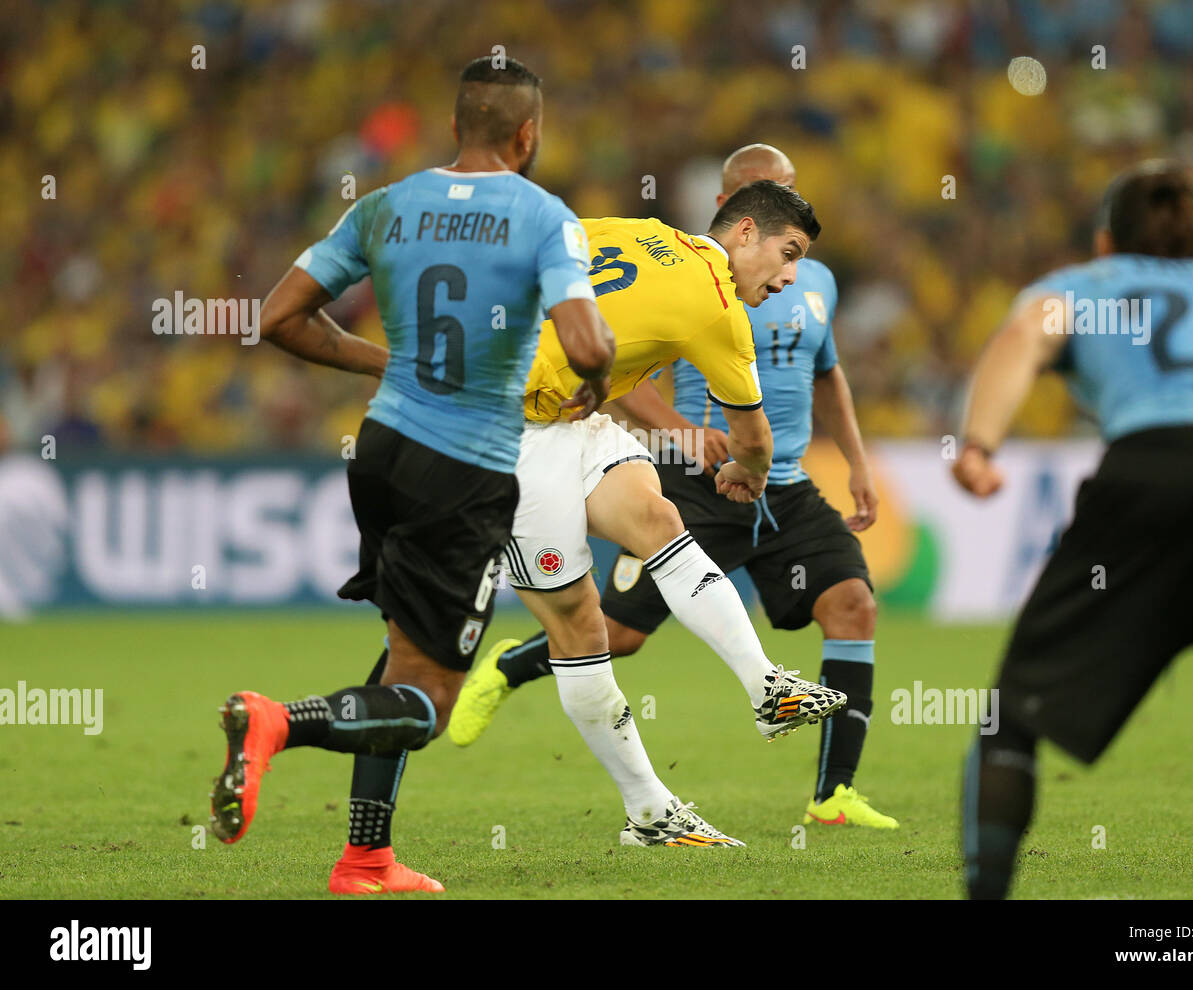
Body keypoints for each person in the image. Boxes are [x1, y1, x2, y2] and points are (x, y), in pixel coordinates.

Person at [207, 55, 615, 894]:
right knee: (427, 704)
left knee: (400, 659)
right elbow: (584, 343)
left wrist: (387, 363)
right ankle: (277, 722)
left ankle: (364, 859)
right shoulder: (545, 216)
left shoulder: (384, 207)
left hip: (383, 450)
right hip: (464, 470)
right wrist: (599, 370)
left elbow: (277, 316)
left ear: (455, 127)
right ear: (529, 134)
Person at [453, 146, 897, 830]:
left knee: (663, 528)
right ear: (740, 223)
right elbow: (750, 440)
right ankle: (646, 808)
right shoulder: (716, 308)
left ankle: (770, 696)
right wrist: (728, 457)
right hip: (515, 436)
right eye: (785, 253)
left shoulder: (648, 233)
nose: (788, 275)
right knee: (590, 634)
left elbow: (553, 243)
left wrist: (570, 344)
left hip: (587, 423)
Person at [954, 160, 1193, 899]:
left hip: (1149, 479)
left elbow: (1024, 338)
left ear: (1107, 244)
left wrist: (980, 444)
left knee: (1013, 720)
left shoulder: (1086, 287)